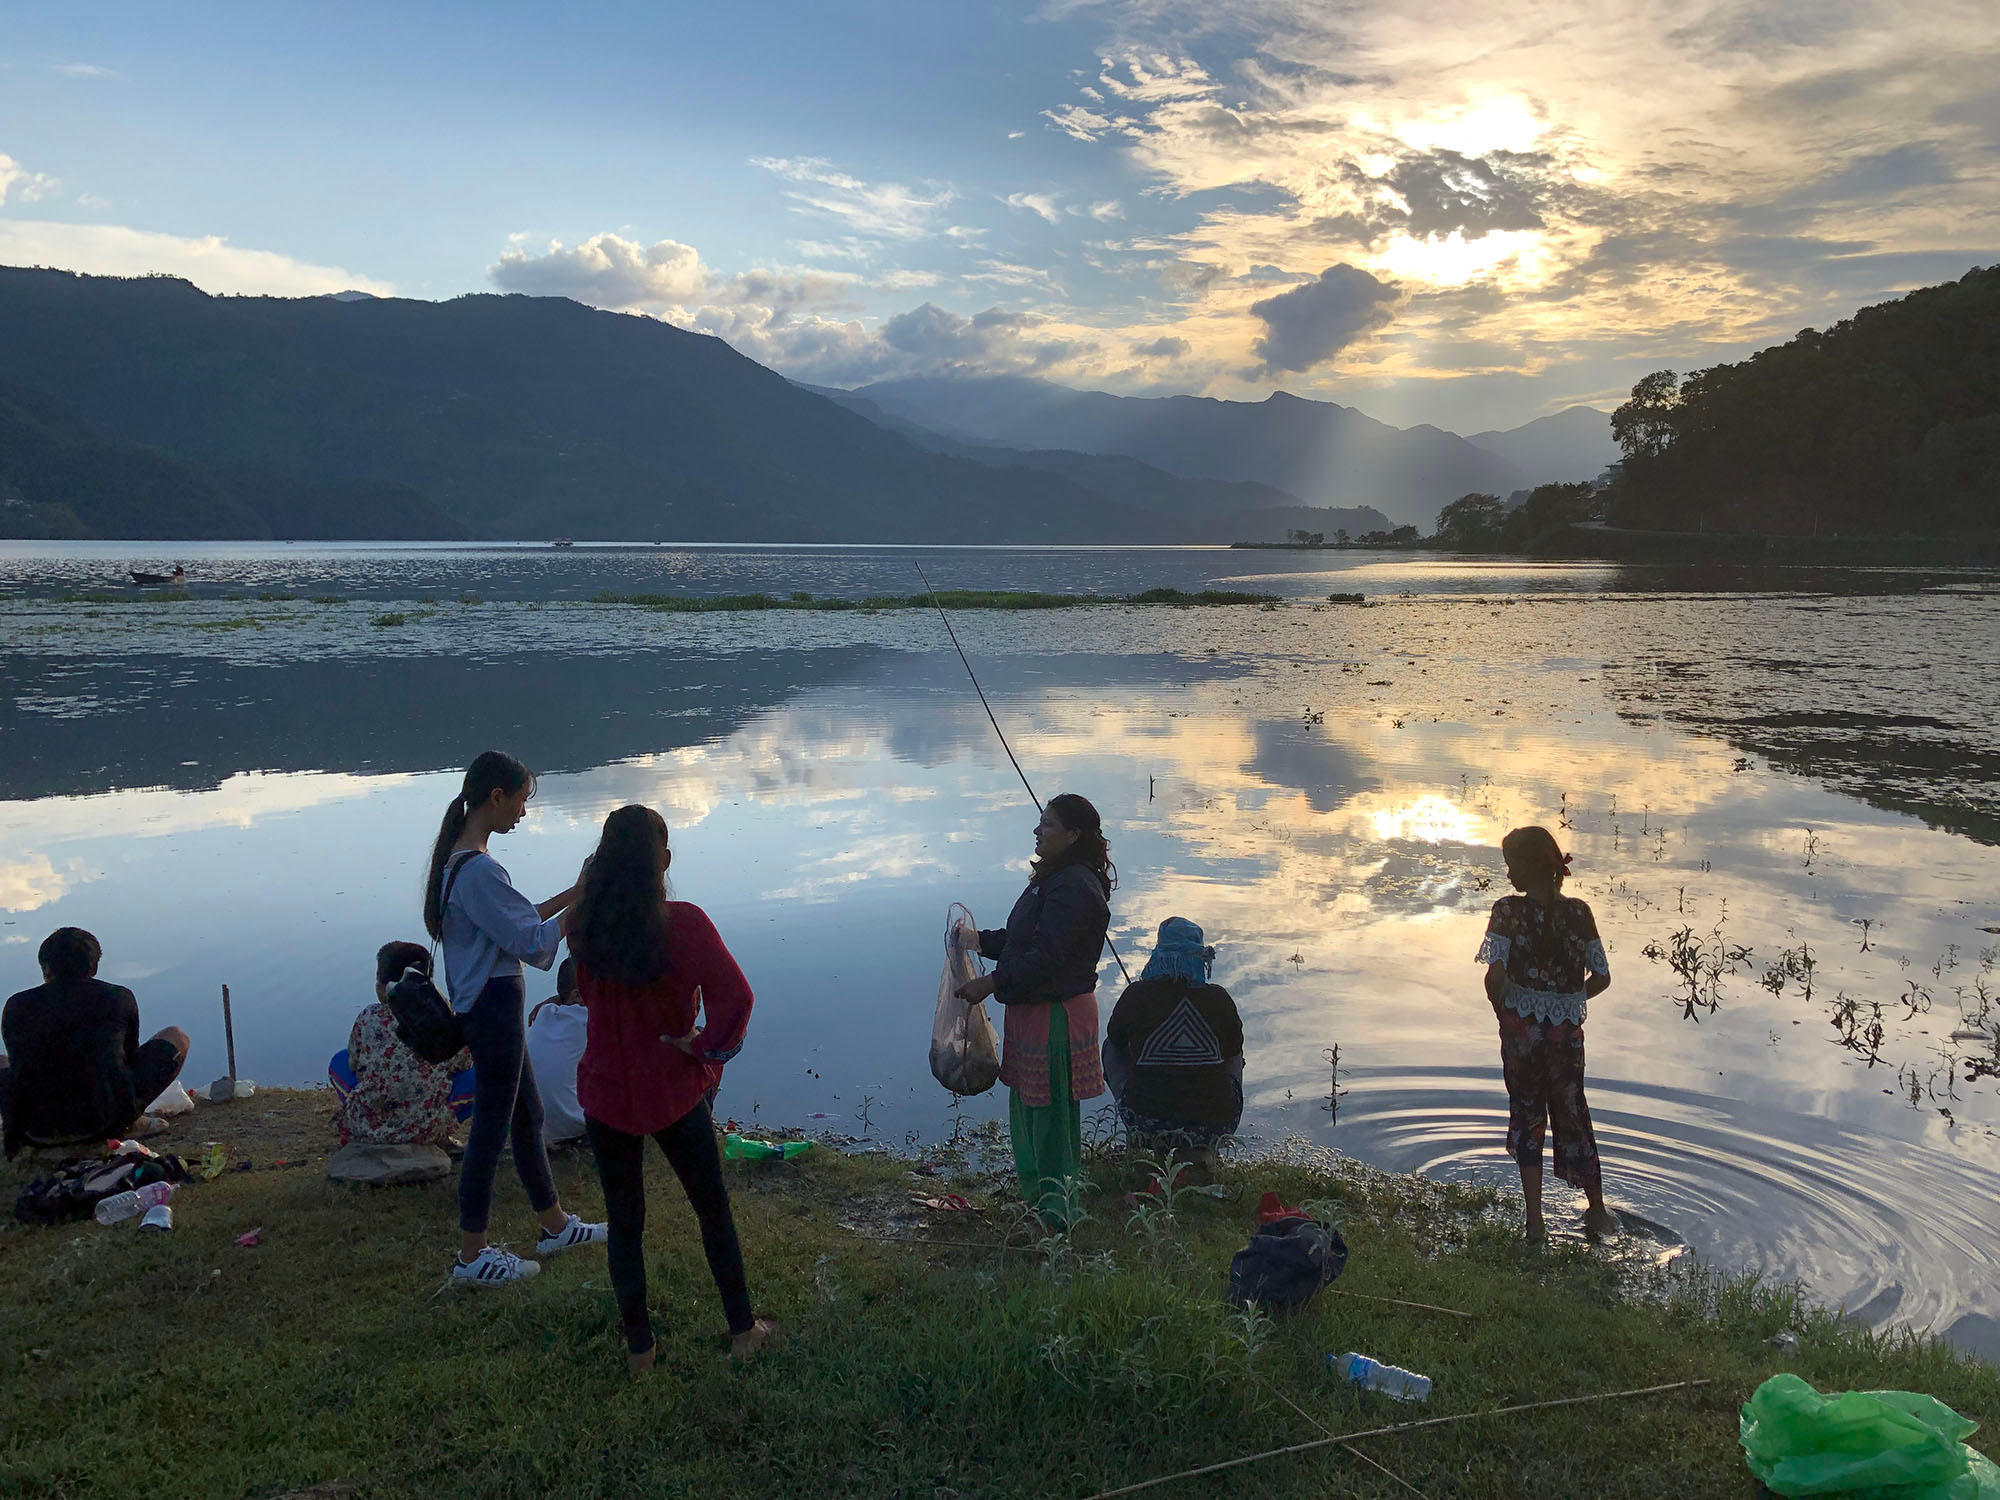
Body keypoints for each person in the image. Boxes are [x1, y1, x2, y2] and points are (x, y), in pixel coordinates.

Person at [569, 803, 772, 1373]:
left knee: (624, 1223)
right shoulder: (682, 923)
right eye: (666, 845)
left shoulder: (583, 923)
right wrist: (704, 1045)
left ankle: (641, 1350)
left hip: (605, 1089)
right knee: (712, 1210)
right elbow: (738, 998)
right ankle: (742, 1331)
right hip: (671, 1089)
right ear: (659, 860)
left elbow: (586, 992)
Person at [425, 750, 605, 1286]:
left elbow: (519, 918)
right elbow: (531, 941)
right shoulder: (478, 869)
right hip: (493, 1008)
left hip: (488, 1007)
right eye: (522, 801)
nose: (524, 813)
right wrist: (584, 910)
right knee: (492, 1129)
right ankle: (472, 1255)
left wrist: (576, 892)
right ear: (495, 797)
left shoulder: (462, 862)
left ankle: (554, 1226)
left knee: (526, 1117)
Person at [955, 792, 1113, 1226]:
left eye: (1047, 825)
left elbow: (1047, 957)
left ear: (1073, 834)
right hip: (1033, 1011)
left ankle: (1058, 1214)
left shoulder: (1077, 887)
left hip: (1056, 1016)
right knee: (1029, 1112)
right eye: (1040, 823)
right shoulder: (1054, 879)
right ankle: (1038, 1203)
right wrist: (978, 942)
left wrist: (990, 983)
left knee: (1051, 1121)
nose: (1037, 831)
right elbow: (1022, 939)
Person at [1476, 825, 1616, 1239]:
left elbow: (1495, 976)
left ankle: (1535, 1222)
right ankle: (1598, 1211)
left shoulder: (1508, 911)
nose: (1508, 876)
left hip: (1523, 1035)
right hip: (1567, 1037)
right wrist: (1569, 1002)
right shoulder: (1580, 913)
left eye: (1511, 866)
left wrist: (1505, 1007)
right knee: (1573, 1112)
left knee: (1528, 1113)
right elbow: (1603, 978)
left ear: (1529, 868)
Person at [1, 927, 190, 1159]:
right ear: (93, 967)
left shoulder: (16, 1005)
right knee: (176, 1037)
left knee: (3, 1061)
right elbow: (128, 1060)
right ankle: (132, 1122)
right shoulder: (118, 997)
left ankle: (13, 1135)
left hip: (34, 1129)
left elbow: (19, 1065)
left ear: (46, 968)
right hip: (107, 1122)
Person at [1103, 917, 1244, 1171]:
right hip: (1215, 1124)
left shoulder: (1136, 995)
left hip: (1147, 1120)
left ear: (1159, 953)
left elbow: (1116, 1040)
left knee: (1110, 1047)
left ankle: (1137, 1135)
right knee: (1235, 1056)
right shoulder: (1219, 999)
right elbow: (1233, 1051)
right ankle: (1207, 1149)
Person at [329, 942, 475, 1148]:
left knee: (339, 1061)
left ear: (381, 984)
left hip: (367, 1127)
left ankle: (375, 1121)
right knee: (478, 1074)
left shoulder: (368, 1016)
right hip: (425, 1129)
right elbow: (464, 1062)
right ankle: (442, 1135)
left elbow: (354, 1063)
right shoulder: (443, 1019)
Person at [525, 958, 589, 1148]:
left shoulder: (544, 1013)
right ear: (578, 995)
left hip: (537, 1126)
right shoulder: (589, 1018)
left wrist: (553, 999)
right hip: (572, 1125)